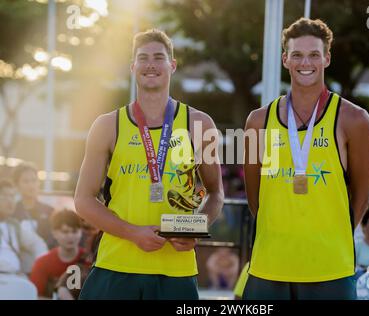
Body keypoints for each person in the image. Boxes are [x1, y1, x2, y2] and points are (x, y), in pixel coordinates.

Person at [74, 29, 224, 300]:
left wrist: (196, 229)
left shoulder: (199, 124)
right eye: (143, 58)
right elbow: (83, 200)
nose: (151, 64)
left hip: (175, 272)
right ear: (133, 67)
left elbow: (215, 193)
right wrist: (133, 233)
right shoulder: (108, 125)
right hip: (116, 266)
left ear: (172, 65)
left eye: (159, 57)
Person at [243, 18, 369, 299]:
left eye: (314, 54)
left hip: (330, 271)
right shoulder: (258, 121)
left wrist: (327, 236)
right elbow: (255, 198)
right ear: (285, 59)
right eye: (297, 55)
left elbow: (361, 198)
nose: (306, 62)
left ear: (326, 58)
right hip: (270, 267)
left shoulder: (354, 119)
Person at [0, 179, 47, 299]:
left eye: (12, 196)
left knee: (30, 291)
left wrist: (40, 267)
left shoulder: (14, 226)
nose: (10, 201)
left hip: (16, 279)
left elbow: (37, 244)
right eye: (5, 196)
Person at [29, 209, 88, 299]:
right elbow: (35, 296)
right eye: (65, 232)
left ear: (81, 232)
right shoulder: (42, 263)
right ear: (54, 233)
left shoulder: (88, 260)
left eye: (74, 231)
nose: (70, 236)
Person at [13, 162, 55, 249]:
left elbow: (54, 240)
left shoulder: (49, 211)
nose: (31, 185)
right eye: (26, 181)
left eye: (34, 180)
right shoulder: (11, 212)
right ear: (17, 185)